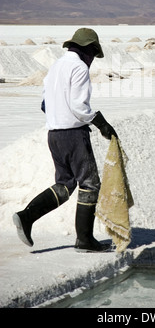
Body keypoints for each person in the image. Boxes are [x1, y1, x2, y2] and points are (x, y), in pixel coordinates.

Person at [13, 28, 117, 253]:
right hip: (73, 135)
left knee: (65, 184)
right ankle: (85, 241)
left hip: (54, 135)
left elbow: (44, 103)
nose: (92, 61)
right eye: (93, 55)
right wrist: (101, 123)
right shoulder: (78, 67)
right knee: (90, 184)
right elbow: (79, 106)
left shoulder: (56, 66)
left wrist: (58, 113)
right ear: (88, 50)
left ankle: (27, 216)